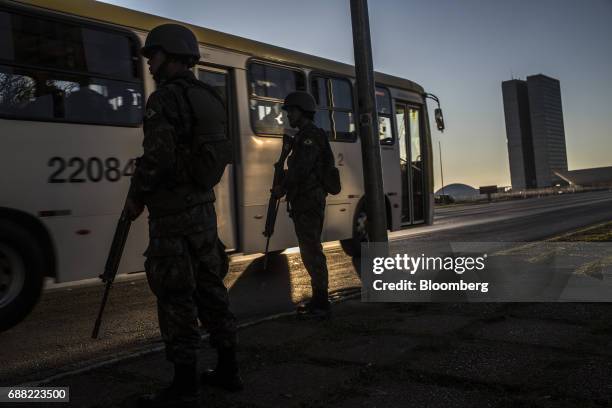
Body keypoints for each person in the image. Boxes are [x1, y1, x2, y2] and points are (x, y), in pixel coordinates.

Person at [124, 23, 241, 408]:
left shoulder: (164, 100)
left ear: (171, 56)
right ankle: (228, 369)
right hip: (203, 213)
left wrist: (137, 196)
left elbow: (157, 158)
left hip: (172, 217)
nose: (151, 65)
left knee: (176, 296)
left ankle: (184, 382)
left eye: (153, 56)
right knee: (211, 289)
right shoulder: (209, 96)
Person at [273, 91, 331, 318]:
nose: (288, 116)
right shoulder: (304, 135)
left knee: (311, 249)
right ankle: (319, 300)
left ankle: (321, 303)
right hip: (304, 200)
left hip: (309, 201)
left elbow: (302, 169)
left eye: (291, 111)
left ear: (302, 112)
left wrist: (283, 187)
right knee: (309, 248)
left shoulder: (309, 136)